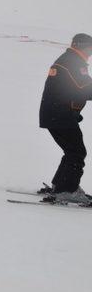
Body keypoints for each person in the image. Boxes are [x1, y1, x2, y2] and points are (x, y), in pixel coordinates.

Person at [39, 33, 92, 204]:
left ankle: (60, 185)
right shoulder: (74, 62)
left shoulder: (68, 59)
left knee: (72, 150)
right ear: (84, 46)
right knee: (77, 152)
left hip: (56, 114)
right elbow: (84, 87)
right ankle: (67, 189)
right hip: (59, 115)